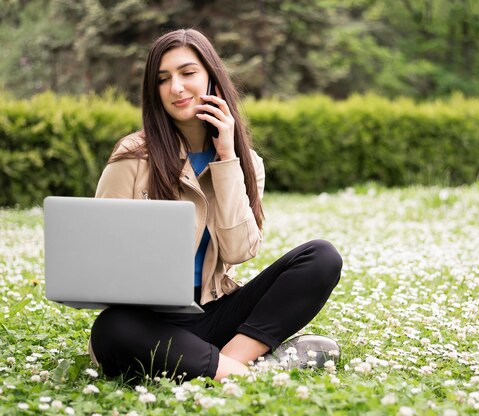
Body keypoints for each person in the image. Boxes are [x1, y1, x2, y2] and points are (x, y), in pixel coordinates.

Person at [88, 28, 342, 381]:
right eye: (163, 79)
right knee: (111, 328)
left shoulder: (246, 162)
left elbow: (239, 250)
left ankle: (223, 365)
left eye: (187, 73)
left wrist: (226, 158)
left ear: (213, 80)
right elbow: (100, 252)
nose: (176, 87)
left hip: (212, 314)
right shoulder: (133, 155)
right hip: (147, 323)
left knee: (321, 257)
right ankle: (252, 372)